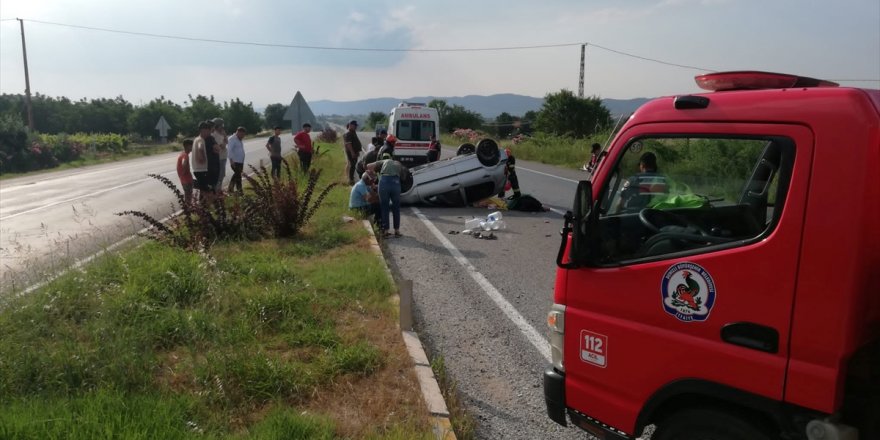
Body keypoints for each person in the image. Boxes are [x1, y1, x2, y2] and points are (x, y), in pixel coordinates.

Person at [367, 154, 404, 237]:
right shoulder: (398, 163)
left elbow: (368, 166)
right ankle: (397, 231)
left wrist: (373, 173)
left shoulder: (384, 161)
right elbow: (403, 176)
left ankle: (386, 231)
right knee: (396, 208)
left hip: (384, 183)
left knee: (384, 207)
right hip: (396, 183)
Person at [192, 121, 213, 200]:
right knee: (205, 190)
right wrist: (202, 159)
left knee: (203, 189)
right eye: (209, 131)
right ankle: (204, 206)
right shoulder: (201, 140)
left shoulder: (196, 139)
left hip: (197, 169)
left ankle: (202, 206)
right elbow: (200, 148)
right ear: (203, 130)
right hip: (201, 169)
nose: (209, 133)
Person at [227, 126, 246, 193]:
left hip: (240, 161)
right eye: (242, 135)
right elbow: (229, 150)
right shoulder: (232, 139)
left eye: (244, 135)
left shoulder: (239, 139)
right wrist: (231, 161)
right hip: (235, 161)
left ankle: (230, 189)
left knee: (236, 175)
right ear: (238, 132)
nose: (243, 136)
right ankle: (240, 191)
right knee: (238, 176)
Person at [343, 120, 362, 185]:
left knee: (353, 165)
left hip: (355, 152)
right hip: (351, 152)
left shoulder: (353, 132)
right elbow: (349, 144)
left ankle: (350, 178)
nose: (356, 127)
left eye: (356, 126)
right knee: (352, 165)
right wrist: (352, 152)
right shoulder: (348, 133)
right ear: (350, 125)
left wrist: (357, 151)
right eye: (355, 125)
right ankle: (351, 179)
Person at [212, 118, 228, 190]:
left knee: (222, 175)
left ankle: (218, 191)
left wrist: (224, 135)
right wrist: (224, 137)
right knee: (220, 176)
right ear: (218, 126)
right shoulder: (215, 135)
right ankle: (217, 192)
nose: (223, 127)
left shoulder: (220, 134)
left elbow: (227, 141)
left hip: (223, 157)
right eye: (221, 125)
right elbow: (223, 146)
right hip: (220, 158)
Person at [204, 120, 220, 195]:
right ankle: (215, 202)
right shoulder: (210, 138)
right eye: (213, 127)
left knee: (207, 187)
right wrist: (216, 149)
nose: (214, 129)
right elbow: (218, 148)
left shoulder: (202, 138)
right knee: (212, 186)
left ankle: (204, 204)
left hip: (207, 165)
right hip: (212, 166)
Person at [177, 139, 194, 205]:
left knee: (187, 195)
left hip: (184, 179)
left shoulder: (182, 153)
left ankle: (188, 207)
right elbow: (184, 163)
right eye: (192, 146)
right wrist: (184, 172)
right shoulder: (185, 155)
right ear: (188, 146)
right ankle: (188, 208)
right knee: (188, 195)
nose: (193, 147)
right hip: (187, 179)